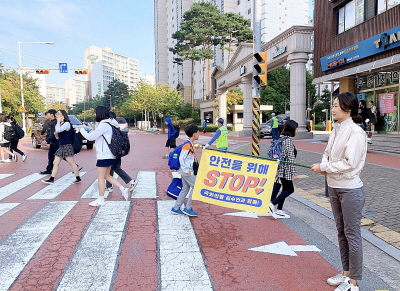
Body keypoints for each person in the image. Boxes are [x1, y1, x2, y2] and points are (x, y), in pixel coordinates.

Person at [310, 92, 367, 291]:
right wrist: (323, 166)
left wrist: (324, 168)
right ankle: (345, 275)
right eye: (332, 105)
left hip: (350, 189)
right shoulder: (336, 129)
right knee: (341, 233)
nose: (332, 109)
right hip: (334, 187)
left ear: (348, 109)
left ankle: (354, 283)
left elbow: (349, 163)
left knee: (352, 234)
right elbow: (327, 153)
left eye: (336, 106)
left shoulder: (355, 132)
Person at [79, 106, 130, 207]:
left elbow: (91, 137)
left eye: (95, 112)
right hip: (110, 154)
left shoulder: (104, 125)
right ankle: (123, 189)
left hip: (104, 155)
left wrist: (81, 130)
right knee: (107, 176)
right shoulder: (111, 123)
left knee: (100, 178)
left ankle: (100, 200)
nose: (94, 114)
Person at [268, 120, 298, 219]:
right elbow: (290, 158)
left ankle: (279, 210)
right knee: (290, 189)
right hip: (286, 169)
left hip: (280, 168)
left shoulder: (281, 138)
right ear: (292, 129)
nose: (297, 130)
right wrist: (294, 173)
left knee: (285, 189)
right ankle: (272, 204)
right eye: (296, 128)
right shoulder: (288, 140)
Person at [41, 110, 81, 185]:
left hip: (67, 145)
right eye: (57, 114)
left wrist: (58, 123)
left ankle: (78, 177)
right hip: (61, 145)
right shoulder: (61, 124)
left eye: (59, 114)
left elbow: (58, 130)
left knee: (71, 163)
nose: (57, 115)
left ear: (63, 115)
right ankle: (52, 178)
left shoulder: (66, 124)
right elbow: (58, 135)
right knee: (55, 162)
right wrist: (56, 135)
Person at [105, 111, 138, 193]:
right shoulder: (116, 126)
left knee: (111, 169)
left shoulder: (109, 126)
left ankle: (110, 186)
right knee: (115, 168)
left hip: (113, 151)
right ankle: (130, 182)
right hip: (118, 151)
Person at [171, 124, 200, 217]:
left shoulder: (189, 144)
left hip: (186, 171)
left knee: (185, 188)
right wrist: (185, 170)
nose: (199, 134)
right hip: (186, 171)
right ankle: (188, 208)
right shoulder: (187, 145)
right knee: (196, 187)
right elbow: (181, 158)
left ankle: (176, 207)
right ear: (194, 134)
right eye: (198, 132)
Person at [39, 109, 58, 174]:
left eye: (48, 114)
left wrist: (46, 141)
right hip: (53, 142)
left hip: (56, 142)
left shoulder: (54, 122)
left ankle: (75, 166)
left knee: (62, 156)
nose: (46, 115)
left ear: (52, 114)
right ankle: (49, 170)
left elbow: (53, 134)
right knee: (51, 156)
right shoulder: (53, 122)